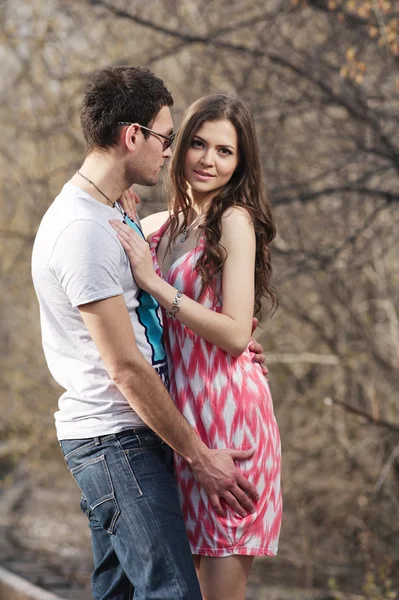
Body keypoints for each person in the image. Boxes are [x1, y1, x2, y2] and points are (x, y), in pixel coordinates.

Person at [31, 67, 267, 600]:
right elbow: (126, 367)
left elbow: (165, 317)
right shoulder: (84, 231)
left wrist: (232, 343)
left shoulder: (111, 213)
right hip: (117, 440)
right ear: (131, 136)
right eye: (166, 137)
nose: (169, 151)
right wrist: (199, 456)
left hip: (134, 436)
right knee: (173, 594)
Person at [110, 94, 282, 600]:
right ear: (180, 146)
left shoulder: (234, 221)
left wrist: (156, 283)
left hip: (230, 416)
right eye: (200, 145)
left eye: (225, 151)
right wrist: (120, 209)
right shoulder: (159, 227)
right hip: (181, 425)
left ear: (240, 161)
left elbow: (233, 333)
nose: (209, 160)